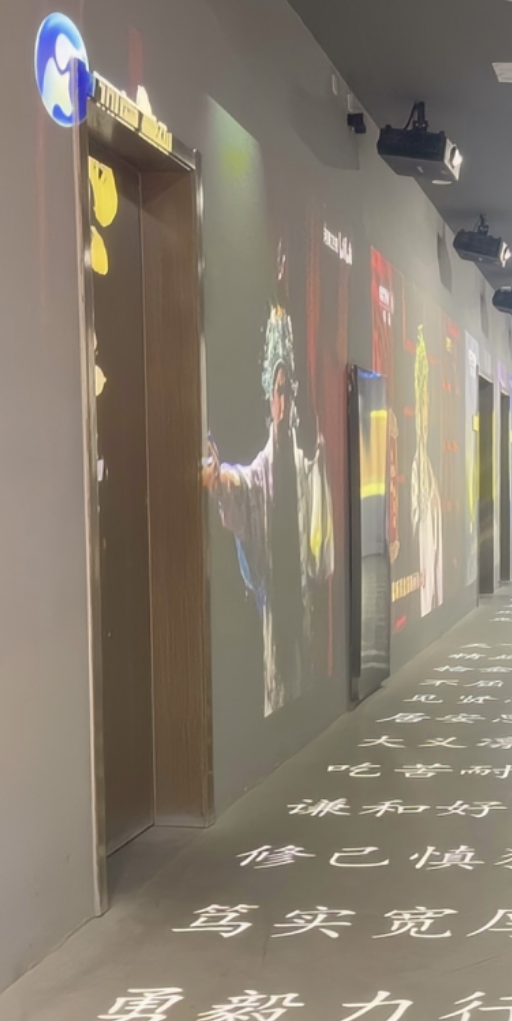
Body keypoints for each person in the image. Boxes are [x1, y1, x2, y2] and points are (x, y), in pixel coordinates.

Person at [203, 298, 334, 716]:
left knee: (303, 671)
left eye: (287, 391)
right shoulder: (265, 466)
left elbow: (317, 513)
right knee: (279, 680)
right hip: (278, 598)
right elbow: (244, 483)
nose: (283, 401)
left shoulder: (301, 459)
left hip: (301, 595)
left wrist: (319, 463)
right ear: (269, 397)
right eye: (277, 392)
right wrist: (220, 478)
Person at [408, 323, 445, 615]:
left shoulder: (429, 466)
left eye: (428, 404)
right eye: (422, 404)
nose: (425, 413)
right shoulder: (415, 466)